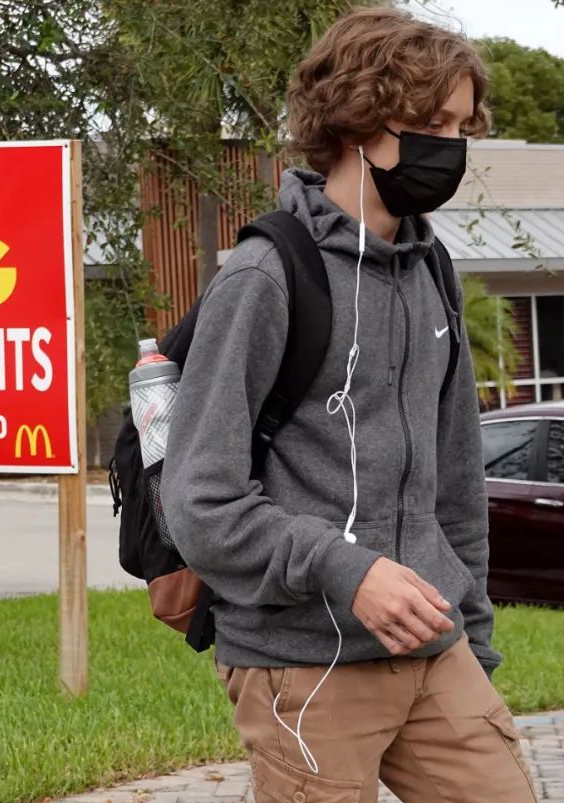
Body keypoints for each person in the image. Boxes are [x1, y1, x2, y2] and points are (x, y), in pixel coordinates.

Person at [159, 8, 538, 802]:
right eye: (431, 122)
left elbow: (457, 484)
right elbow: (200, 501)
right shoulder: (265, 277)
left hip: (434, 653)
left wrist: (471, 639)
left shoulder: (432, 270)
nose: (452, 145)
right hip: (304, 662)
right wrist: (346, 568)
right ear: (359, 118)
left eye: (463, 125)